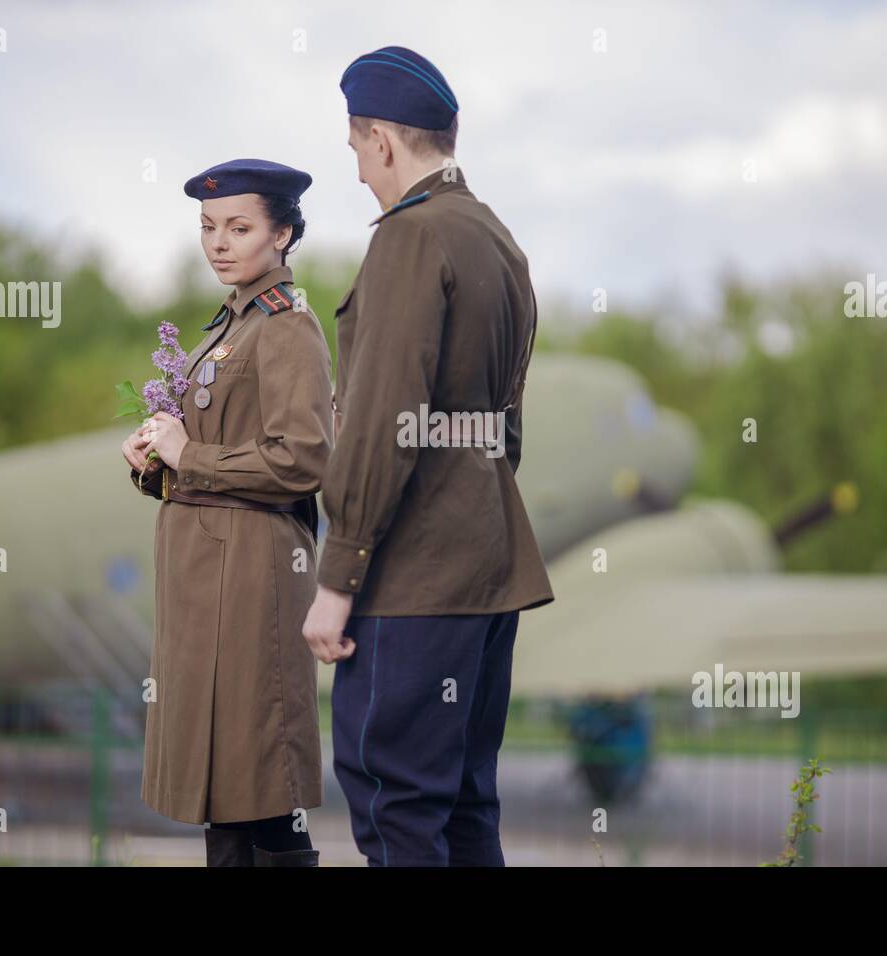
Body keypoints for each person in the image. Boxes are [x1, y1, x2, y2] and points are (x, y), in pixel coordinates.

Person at [301, 46, 554, 866]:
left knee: (395, 802)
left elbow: (380, 425)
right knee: (464, 806)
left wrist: (338, 581)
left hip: (414, 581)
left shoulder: (412, 238)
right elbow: (502, 429)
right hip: (489, 566)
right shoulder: (497, 238)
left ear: (381, 141)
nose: (361, 174)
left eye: (356, 152)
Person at [122, 158, 333, 867]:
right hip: (206, 581)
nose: (219, 242)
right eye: (209, 227)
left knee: (260, 795)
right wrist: (155, 463)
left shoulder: (285, 326)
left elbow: (304, 459)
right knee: (225, 802)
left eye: (239, 227)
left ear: (284, 233)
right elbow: (211, 453)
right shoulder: (228, 326)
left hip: (248, 580)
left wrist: (190, 456)